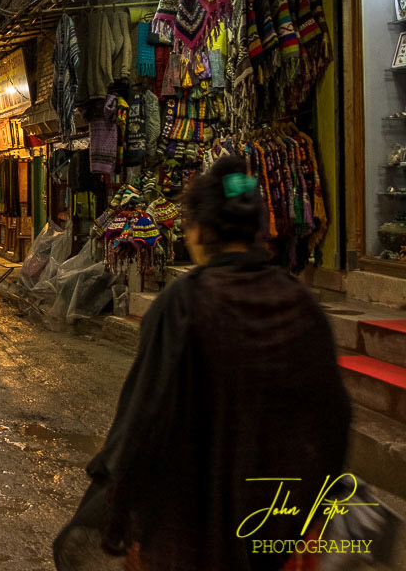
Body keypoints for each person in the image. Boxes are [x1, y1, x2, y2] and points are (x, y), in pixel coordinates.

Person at [53, 155, 350, 571]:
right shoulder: (301, 305)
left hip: (191, 532)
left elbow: (142, 422)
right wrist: (314, 515)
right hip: (276, 532)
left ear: (201, 231)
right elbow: (332, 419)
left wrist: (120, 516)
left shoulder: (184, 304)